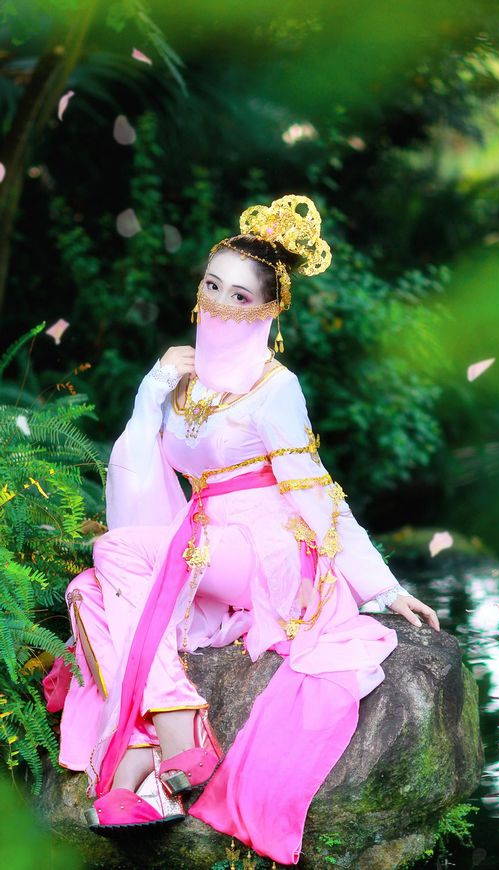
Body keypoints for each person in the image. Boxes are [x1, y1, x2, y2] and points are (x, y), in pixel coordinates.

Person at [49, 194, 440, 864]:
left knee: (114, 551)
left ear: (267, 311)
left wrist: (381, 586)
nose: (220, 305)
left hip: (266, 547)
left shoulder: (275, 387)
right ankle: (147, 764)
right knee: (88, 591)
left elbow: (315, 489)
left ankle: (175, 726)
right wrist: (151, 389)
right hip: (202, 537)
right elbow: (140, 470)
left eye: (240, 296)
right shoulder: (182, 379)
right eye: (212, 286)